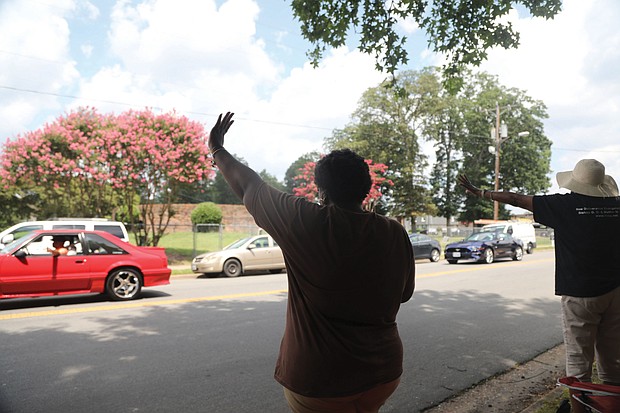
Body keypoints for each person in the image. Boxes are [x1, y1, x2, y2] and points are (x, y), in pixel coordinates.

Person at [208, 112, 415, 413]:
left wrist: (216, 148)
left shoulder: (306, 223)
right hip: (383, 374)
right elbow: (404, 294)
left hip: (319, 383)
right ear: (365, 190)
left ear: (321, 191)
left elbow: (249, 186)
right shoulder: (393, 231)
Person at [457, 159, 620, 413]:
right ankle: (612, 406)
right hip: (616, 292)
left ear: (575, 182)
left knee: (578, 359)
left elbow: (516, 198)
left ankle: (580, 411)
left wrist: (482, 193)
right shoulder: (616, 206)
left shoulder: (563, 205)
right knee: (613, 360)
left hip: (579, 295)